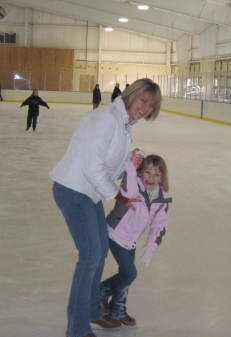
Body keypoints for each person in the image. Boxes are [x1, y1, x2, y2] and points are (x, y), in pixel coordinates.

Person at [49, 78, 162, 337]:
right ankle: (77, 329)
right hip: (74, 190)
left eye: (151, 105)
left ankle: (92, 312)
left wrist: (131, 161)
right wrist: (117, 196)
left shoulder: (124, 124)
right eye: (143, 100)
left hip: (90, 193)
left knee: (98, 255)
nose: (145, 108)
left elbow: (112, 161)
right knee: (90, 257)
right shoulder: (107, 119)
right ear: (132, 95)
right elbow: (92, 164)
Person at [100, 153, 172, 327]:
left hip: (131, 240)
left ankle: (117, 311)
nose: (151, 177)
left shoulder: (162, 198)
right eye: (147, 172)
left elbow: (160, 225)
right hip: (115, 234)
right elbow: (129, 190)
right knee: (129, 273)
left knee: (126, 279)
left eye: (156, 174)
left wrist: (150, 247)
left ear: (162, 178)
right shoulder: (133, 187)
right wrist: (131, 167)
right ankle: (99, 292)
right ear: (140, 173)